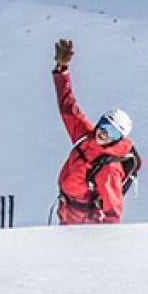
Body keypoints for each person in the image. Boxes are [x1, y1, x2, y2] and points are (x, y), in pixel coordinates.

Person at [50, 38, 136, 224]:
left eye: (111, 133)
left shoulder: (109, 168)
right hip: (66, 211)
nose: (103, 134)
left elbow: (112, 210)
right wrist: (61, 70)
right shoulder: (86, 137)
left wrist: (102, 245)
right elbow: (68, 108)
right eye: (103, 125)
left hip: (85, 224)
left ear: (118, 139)